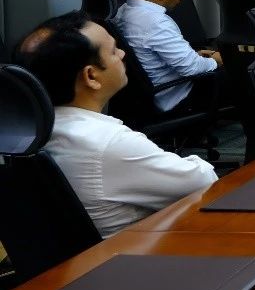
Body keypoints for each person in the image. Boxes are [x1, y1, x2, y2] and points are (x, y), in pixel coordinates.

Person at [15, 12, 217, 237]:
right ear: (91, 76)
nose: (122, 54)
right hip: (135, 254)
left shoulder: (31, 131)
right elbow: (204, 182)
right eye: (113, 51)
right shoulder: (109, 143)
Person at [113, 0, 222, 112]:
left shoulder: (122, 10)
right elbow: (191, 68)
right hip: (176, 96)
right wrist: (216, 60)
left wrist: (194, 56)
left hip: (145, 93)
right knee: (242, 74)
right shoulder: (157, 22)